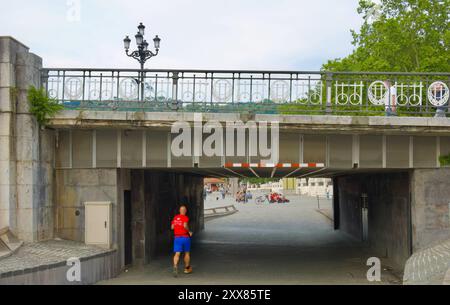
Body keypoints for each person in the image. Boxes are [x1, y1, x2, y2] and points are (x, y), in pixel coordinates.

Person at [171, 205, 193, 277]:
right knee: (187, 253)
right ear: (185, 211)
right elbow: (185, 225)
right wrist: (189, 231)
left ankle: (175, 266)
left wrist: (177, 227)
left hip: (177, 238)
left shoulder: (175, 217)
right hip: (185, 237)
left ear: (179, 211)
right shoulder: (185, 217)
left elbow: (172, 227)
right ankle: (187, 268)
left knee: (177, 253)